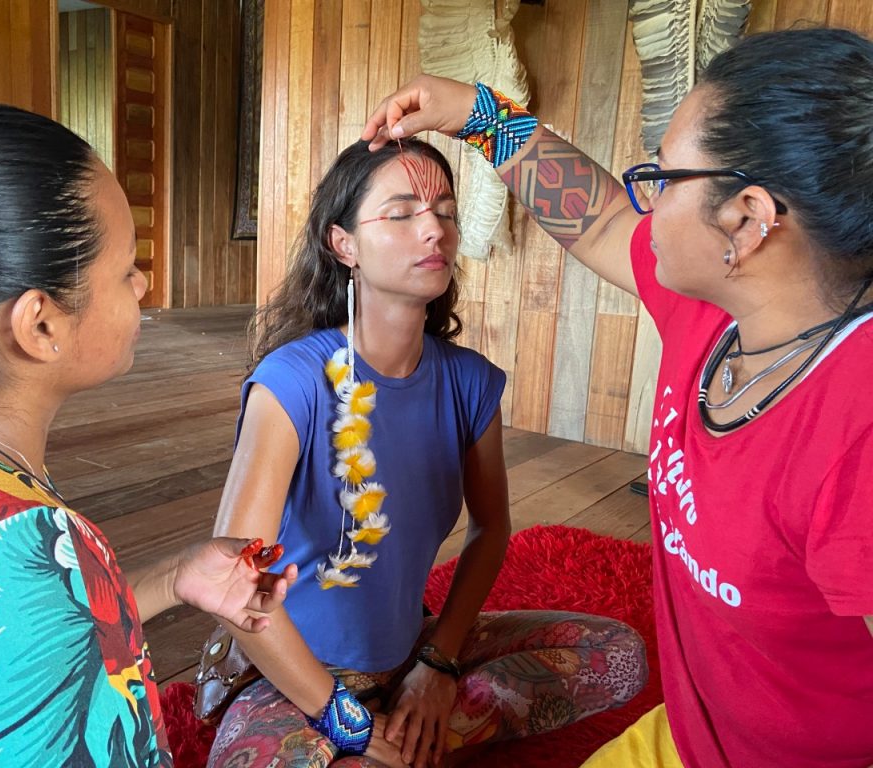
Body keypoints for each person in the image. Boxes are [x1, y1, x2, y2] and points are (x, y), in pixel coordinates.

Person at [361, 26, 873, 768]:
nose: (645, 201)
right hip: (691, 737)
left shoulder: (857, 439)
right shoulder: (720, 307)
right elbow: (600, 218)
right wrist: (480, 114)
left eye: (663, 177)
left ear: (748, 219)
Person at [0, 103, 294, 767]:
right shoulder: (21, 543)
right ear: (40, 325)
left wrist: (174, 577)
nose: (143, 283)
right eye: (125, 269)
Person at [208, 136, 647, 768]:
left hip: (412, 649)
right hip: (295, 672)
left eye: (444, 212)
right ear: (344, 245)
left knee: (619, 656)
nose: (434, 229)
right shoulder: (291, 381)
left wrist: (438, 662)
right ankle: (385, 743)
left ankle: (409, 734)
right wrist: (341, 717)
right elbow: (233, 582)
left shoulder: (470, 382)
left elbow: (490, 528)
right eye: (402, 213)